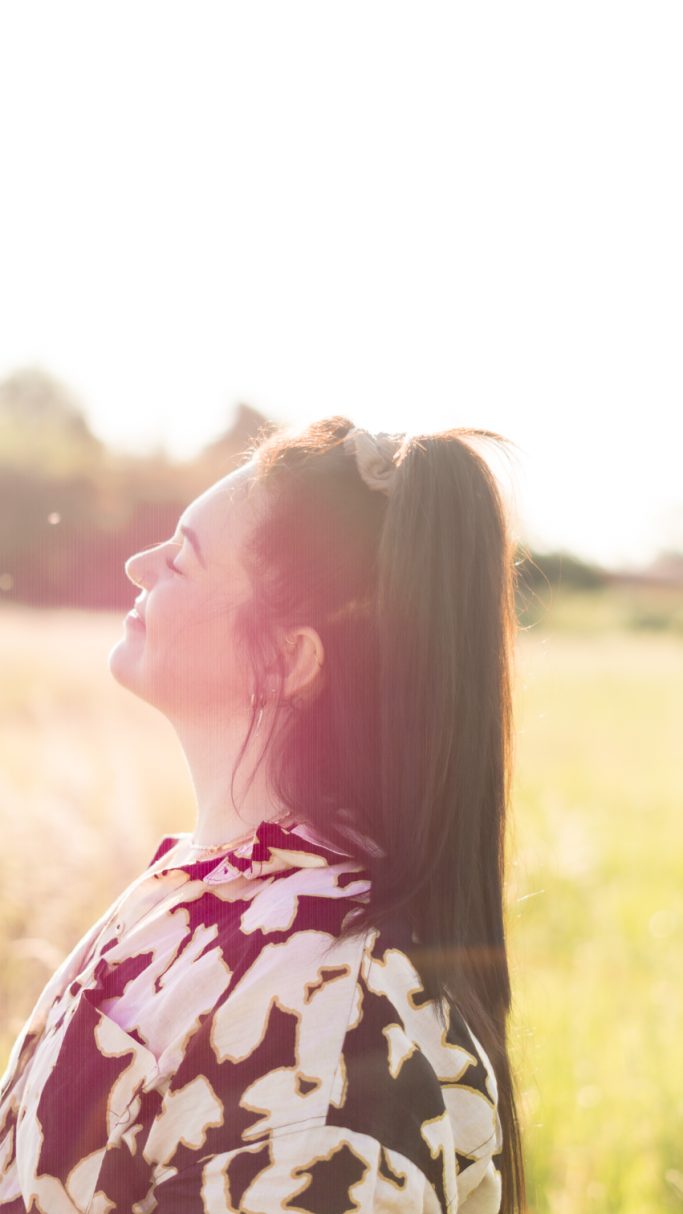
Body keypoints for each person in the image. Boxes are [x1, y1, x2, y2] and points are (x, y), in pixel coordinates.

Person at [0, 417, 526, 1213]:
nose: (138, 565)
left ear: (287, 659)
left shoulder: (335, 1018)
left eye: (181, 557)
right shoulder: (210, 893)